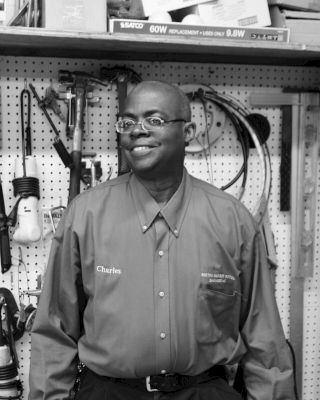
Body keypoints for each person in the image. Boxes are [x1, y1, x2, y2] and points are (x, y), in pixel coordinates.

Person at [29, 80, 295, 400]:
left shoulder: (233, 221)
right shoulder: (84, 216)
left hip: (205, 391)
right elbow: (53, 331)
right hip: (108, 392)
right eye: (127, 122)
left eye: (154, 120)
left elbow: (264, 340)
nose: (137, 130)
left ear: (188, 132)